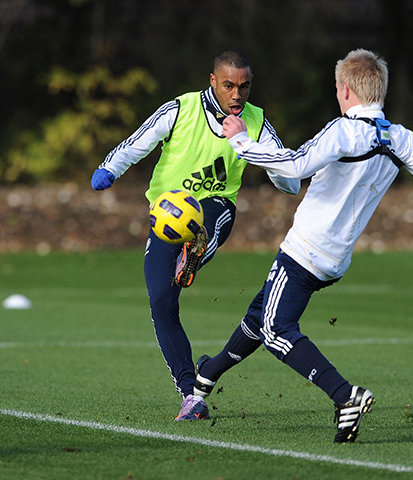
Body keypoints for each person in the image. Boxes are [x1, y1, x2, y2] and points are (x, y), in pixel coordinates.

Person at [192, 49, 413, 443]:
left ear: (344, 91)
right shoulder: (400, 138)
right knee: (260, 316)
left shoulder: (343, 130)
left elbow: (292, 167)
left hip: (305, 250)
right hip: (336, 260)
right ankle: (206, 376)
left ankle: (345, 395)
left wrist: (239, 140)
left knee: (274, 328)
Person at [90, 50, 300, 421]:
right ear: (212, 81)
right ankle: (191, 393)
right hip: (166, 217)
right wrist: (109, 168)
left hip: (217, 208)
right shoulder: (180, 109)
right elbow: (140, 141)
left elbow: (289, 180)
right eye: (229, 85)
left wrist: (252, 147)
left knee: (208, 216)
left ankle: (196, 250)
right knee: (160, 301)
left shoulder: (255, 121)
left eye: (244, 86)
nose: (238, 95)